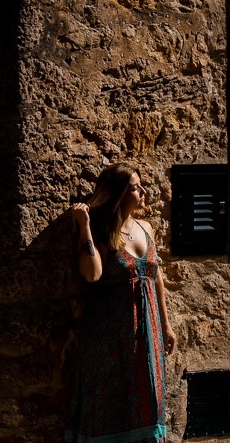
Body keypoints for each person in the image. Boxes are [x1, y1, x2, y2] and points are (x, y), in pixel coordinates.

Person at [65, 162, 175, 443]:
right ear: (117, 194)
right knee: (108, 400)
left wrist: (166, 325)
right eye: (134, 187)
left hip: (147, 331)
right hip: (110, 332)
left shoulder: (145, 227)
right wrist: (85, 227)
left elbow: (157, 278)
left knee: (147, 396)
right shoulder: (101, 232)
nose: (143, 191)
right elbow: (92, 275)